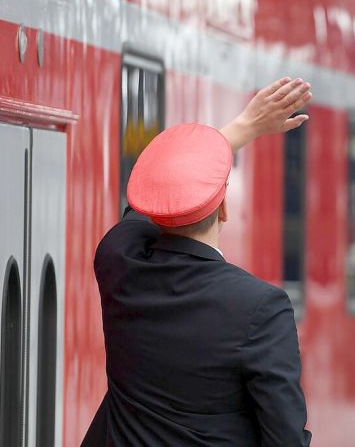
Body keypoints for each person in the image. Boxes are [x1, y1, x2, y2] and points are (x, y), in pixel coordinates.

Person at [82, 77, 314, 446]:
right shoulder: (260, 309)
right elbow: (284, 437)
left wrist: (241, 129)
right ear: (223, 207)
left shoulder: (120, 267)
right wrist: (248, 129)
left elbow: (147, 203)